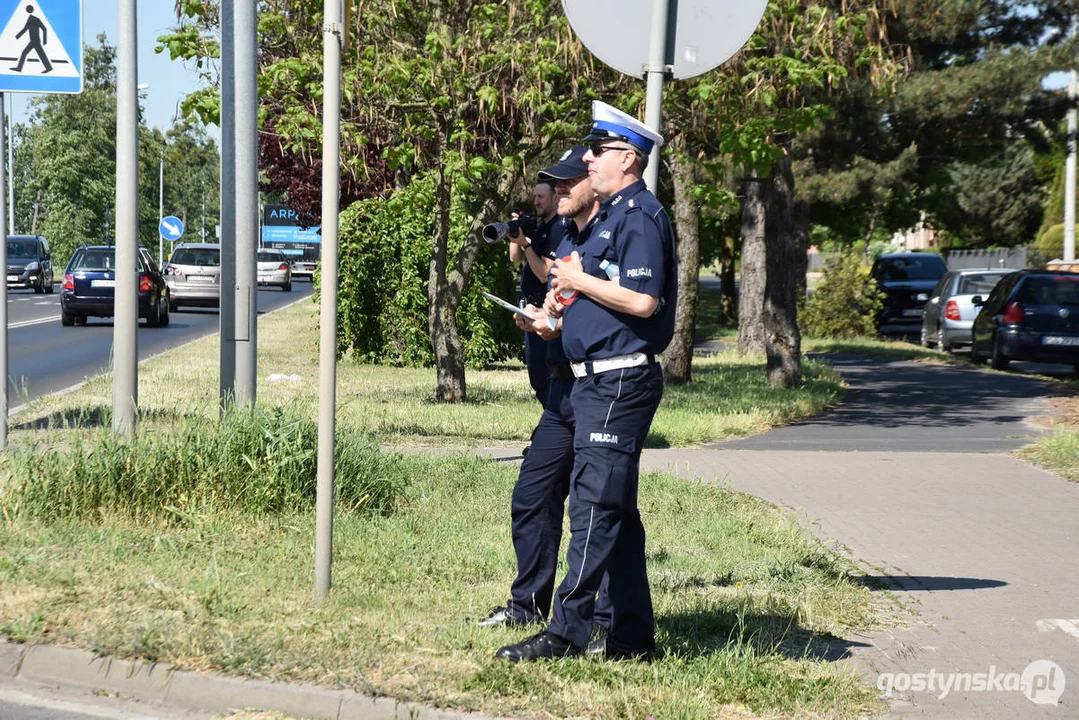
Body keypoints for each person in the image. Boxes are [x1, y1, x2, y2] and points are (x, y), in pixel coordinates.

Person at [496, 101, 677, 663]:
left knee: (594, 506)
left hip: (620, 380)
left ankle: (566, 633)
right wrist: (554, 323)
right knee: (614, 513)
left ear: (628, 158)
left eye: (597, 151)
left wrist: (576, 279)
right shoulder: (607, 219)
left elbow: (645, 301)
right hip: (592, 381)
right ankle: (630, 639)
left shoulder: (641, 216)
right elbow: (597, 303)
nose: (588, 159)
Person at [475, 146, 612, 637]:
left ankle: (603, 623)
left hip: (601, 388)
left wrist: (556, 318)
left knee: (596, 509)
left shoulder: (612, 234)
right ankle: (526, 605)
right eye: (550, 187)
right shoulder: (573, 235)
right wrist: (544, 320)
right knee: (533, 495)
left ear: (588, 186)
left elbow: (629, 308)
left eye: (562, 184)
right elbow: (567, 301)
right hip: (561, 393)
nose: (554, 193)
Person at [508, 180, 563, 406]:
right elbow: (515, 258)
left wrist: (527, 245)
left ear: (555, 198)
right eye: (535, 197)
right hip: (529, 309)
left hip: (544, 310)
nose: (536, 201)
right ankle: (552, 421)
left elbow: (544, 274)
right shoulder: (540, 228)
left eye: (541, 197)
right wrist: (516, 235)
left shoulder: (558, 229)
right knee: (536, 375)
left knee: (546, 374)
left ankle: (556, 422)